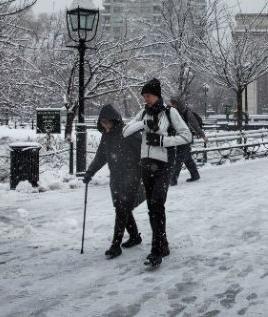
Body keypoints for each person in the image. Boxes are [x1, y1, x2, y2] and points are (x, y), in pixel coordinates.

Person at [123, 78, 192, 267]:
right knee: (152, 208)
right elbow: (126, 131)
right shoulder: (143, 113)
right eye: (144, 96)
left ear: (157, 95)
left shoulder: (171, 112)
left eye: (148, 96)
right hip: (146, 165)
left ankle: (156, 250)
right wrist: (144, 124)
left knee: (157, 203)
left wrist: (162, 141)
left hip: (164, 164)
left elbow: (187, 135)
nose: (146, 99)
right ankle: (164, 244)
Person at [82, 104, 144, 259]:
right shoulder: (106, 136)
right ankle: (135, 236)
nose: (106, 125)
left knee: (122, 209)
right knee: (122, 208)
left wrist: (146, 172)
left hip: (132, 176)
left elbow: (143, 152)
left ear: (115, 120)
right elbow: (100, 157)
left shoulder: (128, 133)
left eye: (108, 122)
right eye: (103, 123)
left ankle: (116, 245)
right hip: (116, 177)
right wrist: (90, 172)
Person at [169, 96, 208, 185]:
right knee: (187, 158)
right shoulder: (174, 112)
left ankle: (173, 179)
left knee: (178, 159)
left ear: (178, 103)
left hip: (186, 138)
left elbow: (195, 125)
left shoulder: (186, 112)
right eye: (172, 104)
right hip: (179, 138)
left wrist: (203, 136)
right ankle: (195, 175)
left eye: (174, 103)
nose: (173, 105)